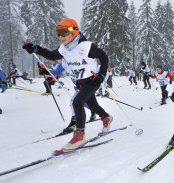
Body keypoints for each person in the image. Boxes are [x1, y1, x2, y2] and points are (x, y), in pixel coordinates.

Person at [23, 18, 112, 151]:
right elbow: (51, 54)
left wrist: (102, 74)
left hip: (93, 80)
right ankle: (106, 117)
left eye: (64, 32)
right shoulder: (64, 49)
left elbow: (103, 56)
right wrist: (35, 48)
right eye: (58, 33)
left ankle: (80, 135)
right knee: (92, 104)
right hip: (80, 82)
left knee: (77, 102)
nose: (60, 36)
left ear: (74, 32)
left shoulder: (86, 46)